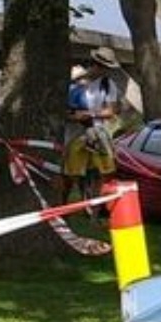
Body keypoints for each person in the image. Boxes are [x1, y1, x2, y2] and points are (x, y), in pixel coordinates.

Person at [62, 46, 122, 204]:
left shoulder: (108, 85)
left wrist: (91, 114)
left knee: (104, 172)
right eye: (103, 67)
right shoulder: (73, 81)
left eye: (108, 68)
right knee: (70, 174)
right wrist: (74, 117)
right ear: (94, 63)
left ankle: (96, 212)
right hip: (75, 133)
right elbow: (61, 110)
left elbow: (111, 110)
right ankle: (62, 208)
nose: (105, 71)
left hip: (98, 133)